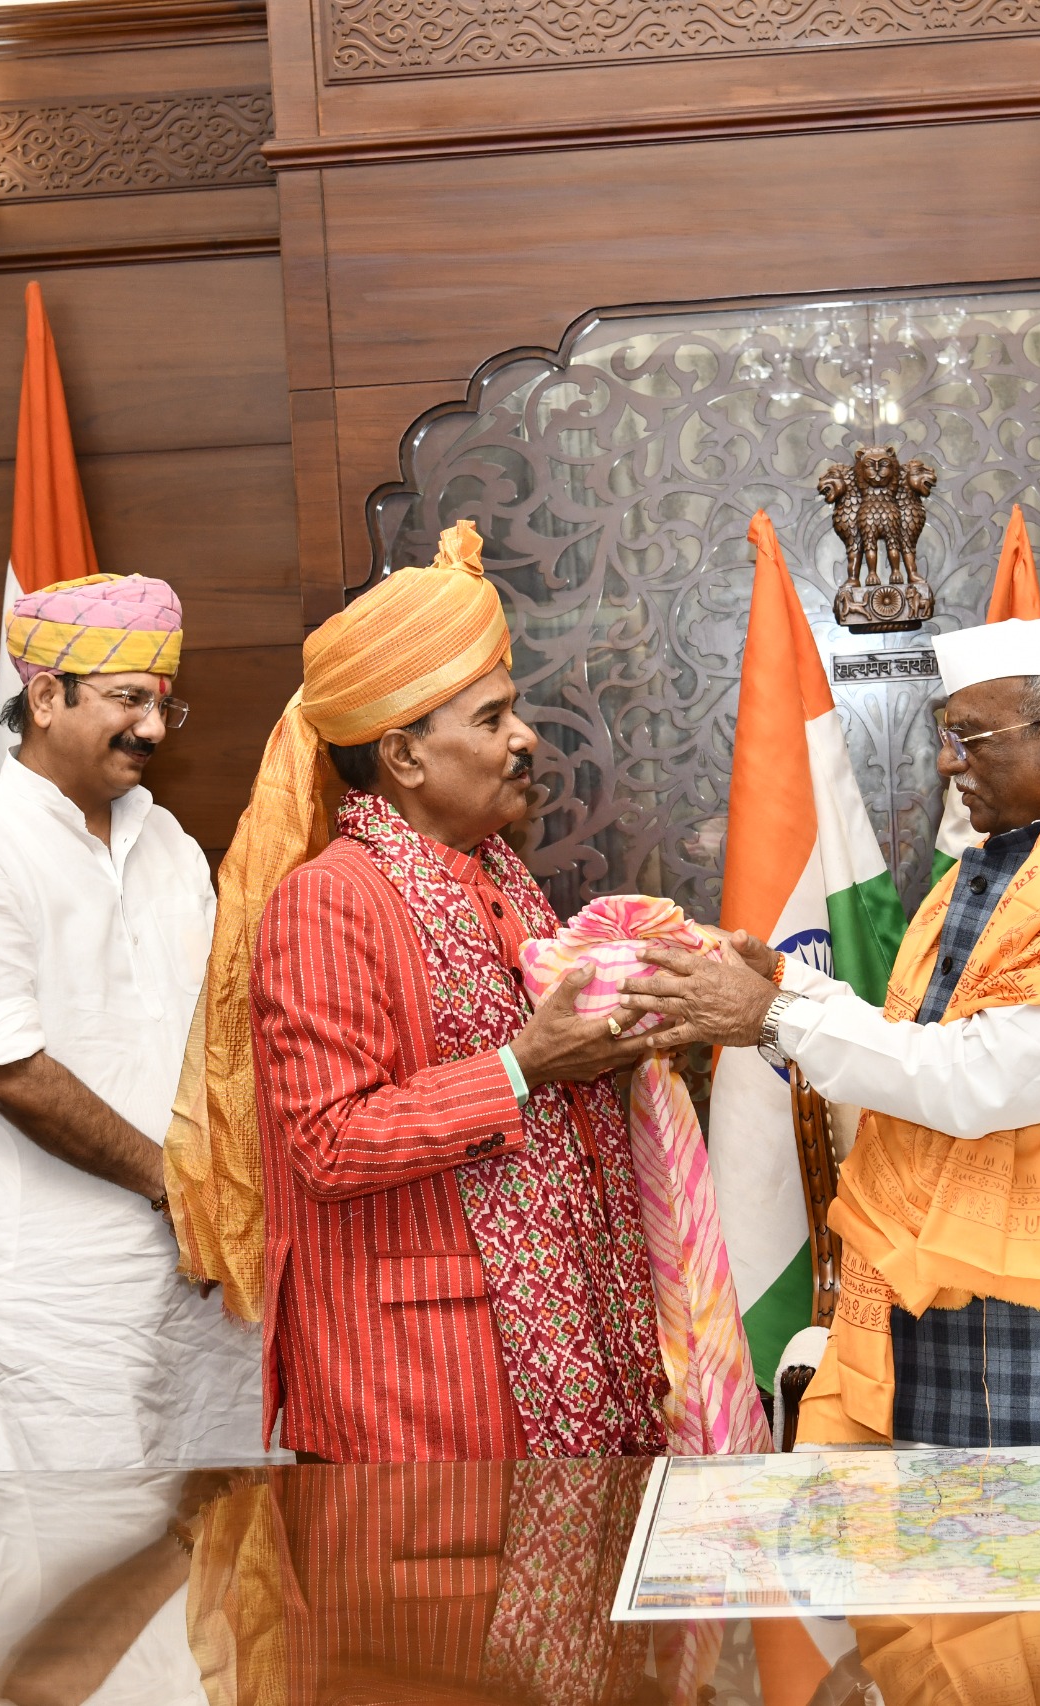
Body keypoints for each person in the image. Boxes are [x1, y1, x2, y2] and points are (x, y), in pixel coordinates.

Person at [626, 617, 1040, 1448]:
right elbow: (920, 1037)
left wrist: (770, 1016)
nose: (949, 765)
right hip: (963, 1356)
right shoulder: (1019, 863)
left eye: (968, 738)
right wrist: (784, 981)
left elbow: (980, 1081)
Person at [169, 520, 667, 1462]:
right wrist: (523, 1068)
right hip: (417, 1389)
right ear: (403, 756)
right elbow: (328, 1142)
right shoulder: (328, 901)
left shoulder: (501, 879)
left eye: (514, 711)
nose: (525, 738)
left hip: (558, 1346)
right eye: (491, 719)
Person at [0, 573, 260, 1535]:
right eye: (129, 699)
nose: (155, 728)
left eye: (165, 703)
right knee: (55, 1572)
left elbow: (218, 1030)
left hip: (192, 1285)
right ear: (46, 696)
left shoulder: (167, 840)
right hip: (46, 1301)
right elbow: (12, 1071)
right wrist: (179, 1186)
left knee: (207, 1552)